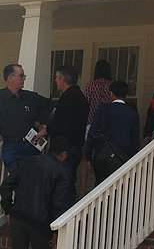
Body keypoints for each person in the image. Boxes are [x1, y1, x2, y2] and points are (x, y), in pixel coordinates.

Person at [0, 64, 53, 175]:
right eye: (21, 76)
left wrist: (38, 121)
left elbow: (49, 105)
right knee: (18, 180)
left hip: (31, 144)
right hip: (12, 146)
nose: (24, 78)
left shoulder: (29, 96)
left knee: (32, 180)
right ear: (11, 77)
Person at [85, 80, 140, 185]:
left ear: (111, 94)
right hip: (122, 157)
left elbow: (92, 134)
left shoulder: (102, 109)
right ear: (126, 95)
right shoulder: (132, 114)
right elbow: (134, 140)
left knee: (100, 187)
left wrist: (89, 157)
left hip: (101, 155)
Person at [46, 64, 89, 195]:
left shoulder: (67, 97)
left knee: (62, 183)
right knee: (69, 180)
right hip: (76, 146)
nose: (55, 80)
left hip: (64, 148)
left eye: (57, 78)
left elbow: (62, 123)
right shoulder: (81, 97)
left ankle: (63, 212)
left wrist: (47, 129)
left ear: (63, 79)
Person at [79, 60, 112, 193]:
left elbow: (85, 104)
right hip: (106, 127)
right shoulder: (111, 86)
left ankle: (83, 190)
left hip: (89, 124)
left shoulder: (90, 85)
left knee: (84, 158)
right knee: (104, 158)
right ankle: (102, 189)